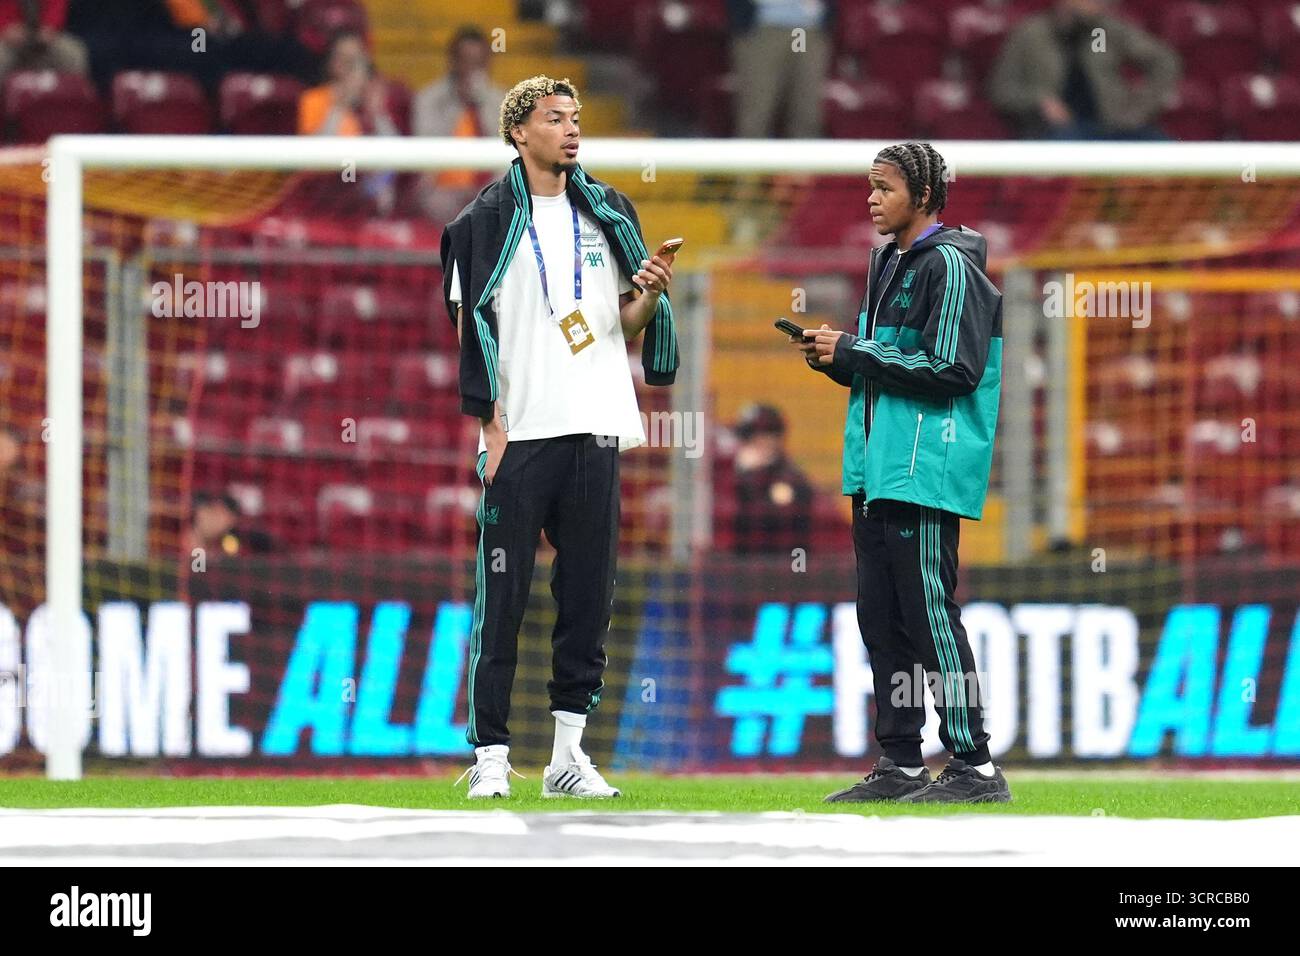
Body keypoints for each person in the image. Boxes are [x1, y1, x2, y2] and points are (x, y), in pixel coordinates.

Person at [440, 75, 679, 799]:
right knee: (503, 602)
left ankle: (567, 758)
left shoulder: (608, 209)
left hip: (596, 427)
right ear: (518, 132)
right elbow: (467, 327)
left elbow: (621, 325)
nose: (572, 130)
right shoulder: (479, 221)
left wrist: (653, 293)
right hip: (523, 433)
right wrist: (491, 425)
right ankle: (489, 756)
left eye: (576, 117)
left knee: (587, 600)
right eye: (555, 118)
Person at [792, 141, 1011, 803]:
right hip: (876, 469)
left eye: (884, 187)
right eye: (869, 186)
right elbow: (887, 367)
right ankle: (901, 761)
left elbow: (954, 370)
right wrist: (837, 359)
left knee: (931, 618)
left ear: (921, 195)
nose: (871, 197)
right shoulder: (889, 261)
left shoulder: (951, 266)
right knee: (883, 620)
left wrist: (854, 349)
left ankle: (975, 765)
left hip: (923, 469)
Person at [988, 0, 1179, 140]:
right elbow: (1002, 89)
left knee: (1163, 149)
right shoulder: (1031, 34)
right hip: (1057, 131)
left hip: (1113, 127)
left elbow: (1164, 61)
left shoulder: (1103, 31)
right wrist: (1038, 101)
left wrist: (1136, 109)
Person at [413, 27, 505, 221]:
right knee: (432, 200)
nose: (471, 70)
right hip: (443, 188)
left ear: (488, 63)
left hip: (488, 187)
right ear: (452, 61)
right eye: (465, 61)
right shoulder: (429, 99)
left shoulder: (502, 100)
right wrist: (457, 104)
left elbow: (506, 149)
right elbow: (427, 151)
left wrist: (480, 104)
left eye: (477, 63)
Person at [727, 0, 833, 138]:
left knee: (807, 110)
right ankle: (750, 156)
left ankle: (805, 156)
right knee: (757, 108)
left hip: (807, 30)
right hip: (764, 28)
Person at [730, 403, 814, 554]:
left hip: (781, 564)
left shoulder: (792, 478)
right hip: (738, 565)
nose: (761, 442)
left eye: (768, 434)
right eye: (752, 436)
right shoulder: (730, 473)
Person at [0, 0, 88, 87]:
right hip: (8, 38)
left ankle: (73, 97)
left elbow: (57, 6)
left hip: (44, 36)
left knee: (73, 52)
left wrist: (51, 25)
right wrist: (4, 28)